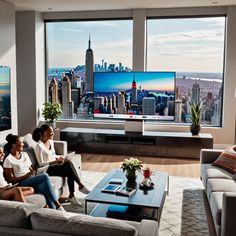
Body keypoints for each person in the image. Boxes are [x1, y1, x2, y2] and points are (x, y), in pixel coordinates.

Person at [3, 134, 65, 211]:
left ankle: (55, 212)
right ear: (14, 145)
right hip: (21, 183)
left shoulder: (25, 154)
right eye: (21, 142)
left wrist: (33, 172)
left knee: (43, 188)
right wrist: (26, 176)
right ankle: (58, 205)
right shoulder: (8, 160)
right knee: (45, 175)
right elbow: (10, 179)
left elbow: (30, 169)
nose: (23, 144)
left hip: (31, 179)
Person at [32, 124, 89, 206]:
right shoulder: (39, 146)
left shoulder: (51, 142)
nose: (53, 134)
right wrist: (55, 162)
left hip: (54, 166)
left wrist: (60, 158)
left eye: (52, 132)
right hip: (46, 169)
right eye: (51, 133)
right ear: (44, 133)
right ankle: (79, 187)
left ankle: (72, 194)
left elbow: (53, 155)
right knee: (68, 166)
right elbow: (41, 164)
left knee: (68, 168)